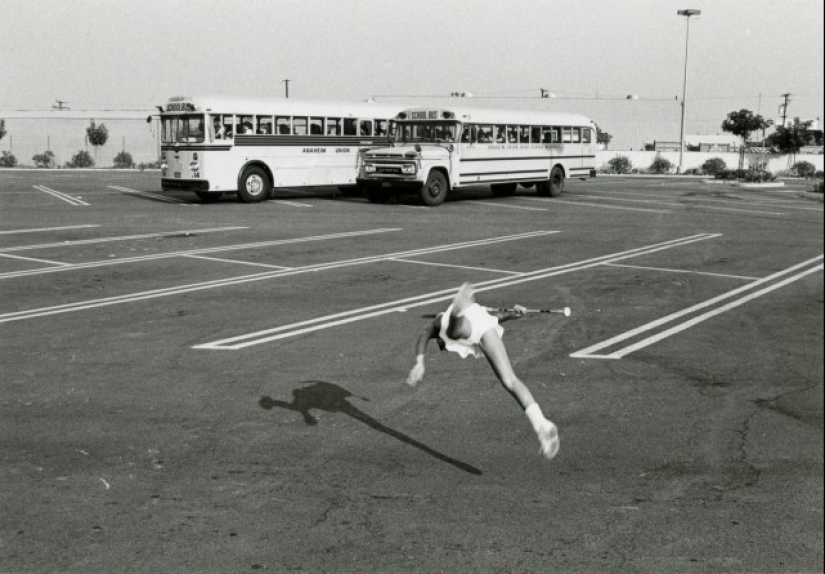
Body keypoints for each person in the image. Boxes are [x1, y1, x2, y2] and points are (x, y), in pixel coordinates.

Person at [405, 283, 560, 460]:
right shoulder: (464, 318)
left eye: (440, 345)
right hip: (483, 328)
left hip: (463, 324)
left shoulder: (439, 322)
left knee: (453, 331)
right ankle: (542, 424)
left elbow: (424, 334)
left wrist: (419, 362)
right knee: (510, 381)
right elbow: (494, 318)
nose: (440, 347)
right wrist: (512, 314)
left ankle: (458, 314)